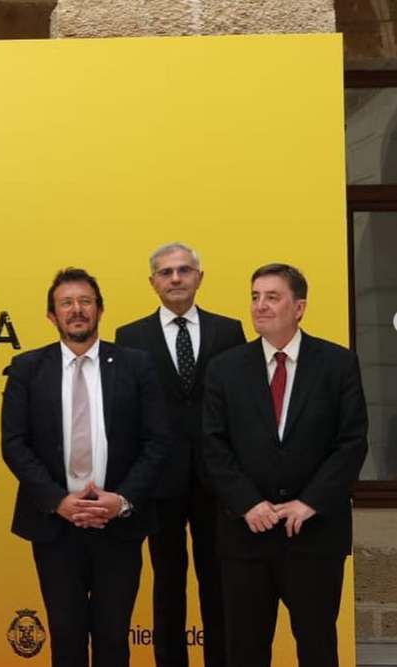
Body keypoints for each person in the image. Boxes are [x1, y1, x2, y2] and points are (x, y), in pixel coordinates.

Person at [1, 267, 169, 667]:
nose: (77, 310)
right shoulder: (27, 368)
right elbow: (14, 444)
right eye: (66, 303)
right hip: (55, 525)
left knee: (113, 639)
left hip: (119, 523)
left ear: (100, 310)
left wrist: (123, 500)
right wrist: (58, 500)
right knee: (66, 637)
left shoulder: (135, 365)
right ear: (52, 316)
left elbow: (158, 441)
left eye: (85, 302)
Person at [203, 263, 367, 667]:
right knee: (244, 650)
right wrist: (247, 503)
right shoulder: (225, 368)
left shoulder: (337, 363)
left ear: (300, 307)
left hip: (314, 534)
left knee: (317, 647)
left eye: (272, 297)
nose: (260, 306)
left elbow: (351, 442)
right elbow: (212, 444)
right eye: (255, 296)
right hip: (246, 534)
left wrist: (309, 502)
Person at [114, 242, 244, 667]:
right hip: (159, 481)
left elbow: (241, 410)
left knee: (217, 581)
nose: (175, 279)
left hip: (217, 480)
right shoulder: (130, 337)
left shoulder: (229, 331)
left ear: (199, 278)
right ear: (152, 282)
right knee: (167, 583)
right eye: (166, 272)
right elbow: (128, 415)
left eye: (184, 270)